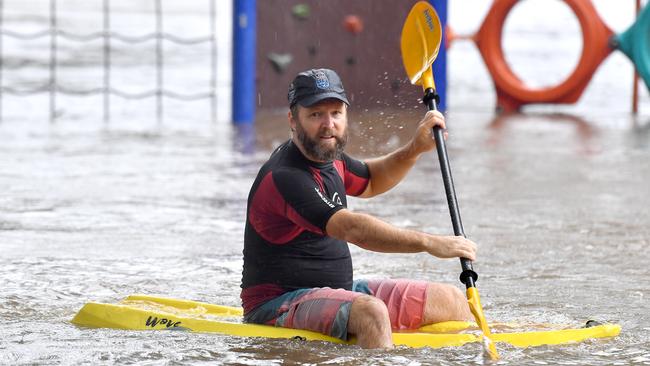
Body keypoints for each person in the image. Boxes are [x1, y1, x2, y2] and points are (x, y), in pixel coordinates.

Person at [241, 68, 477, 349]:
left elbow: (372, 179)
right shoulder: (286, 176)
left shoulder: (329, 156)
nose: (328, 125)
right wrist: (428, 242)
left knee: (450, 300)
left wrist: (415, 148)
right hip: (276, 305)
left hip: (337, 292)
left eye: (336, 113)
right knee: (372, 313)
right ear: (293, 120)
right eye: (316, 115)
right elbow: (352, 228)